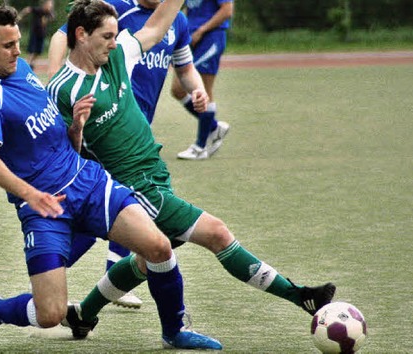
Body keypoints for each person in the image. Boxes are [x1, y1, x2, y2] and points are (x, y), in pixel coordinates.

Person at [47, 0, 337, 341]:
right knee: (215, 233)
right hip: (132, 185)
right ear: (81, 35)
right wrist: (76, 130)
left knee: (146, 259)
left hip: (155, 172)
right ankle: (300, 296)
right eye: (107, 36)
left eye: (115, 36)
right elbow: (65, 158)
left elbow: (155, 28)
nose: (115, 41)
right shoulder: (61, 90)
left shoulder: (118, 55)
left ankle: (83, 315)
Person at [0, 3, 222, 351]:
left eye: (18, 42)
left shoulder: (18, 69)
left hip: (88, 182)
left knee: (158, 246)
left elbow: (54, 137)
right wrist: (31, 195)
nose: (18, 51)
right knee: (49, 313)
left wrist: (76, 129)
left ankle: (174, 330)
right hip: (45, 208)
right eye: (8, 45)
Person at [46, 0, 211, 308]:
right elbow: (62, 34)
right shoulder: (117, 9)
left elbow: (185, 67)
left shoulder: (178, 21)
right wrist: (57, 78)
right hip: (102, 128)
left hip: (134, 126)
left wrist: (196, 90)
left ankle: (74, 273)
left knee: (125, 208)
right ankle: (51, 272)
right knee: (111, 209)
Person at [171, 0, 233, 160]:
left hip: (210, 38)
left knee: (204, 90)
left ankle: (200, 147)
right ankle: (213, 127)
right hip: (191, 39)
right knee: (177, 89)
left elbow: (227, 10)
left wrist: (202, 30)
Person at [18, 0, 55, 70]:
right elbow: (28, 9)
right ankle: (27, 64)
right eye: (49, 4)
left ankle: (32, 63)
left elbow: (53, 18)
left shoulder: (48, 13)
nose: (50, 5)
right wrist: (20, 16)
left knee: (38, 51)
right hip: (35, 33)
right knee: (31, 50)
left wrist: (50, 11)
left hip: (42, 34)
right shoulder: (39, 10)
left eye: (51, 4)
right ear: (45, 4)